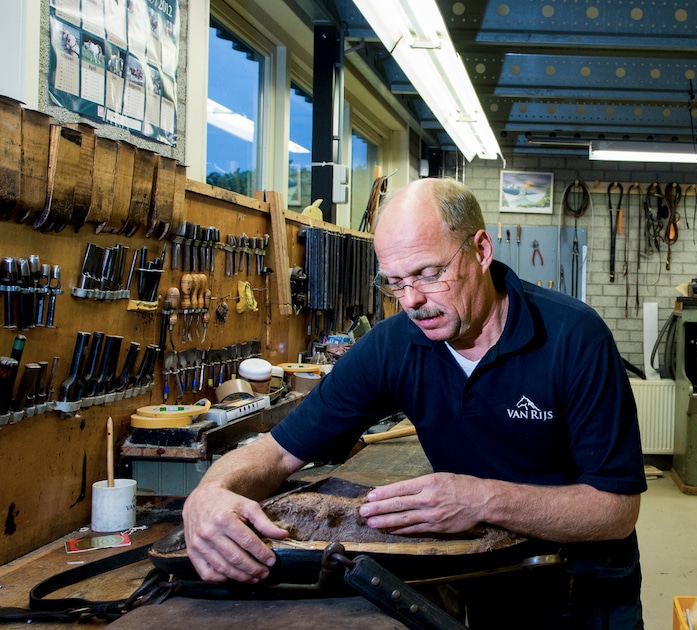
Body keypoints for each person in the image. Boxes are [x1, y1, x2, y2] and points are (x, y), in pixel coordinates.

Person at [181, 178, 647, 628]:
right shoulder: (395, 345)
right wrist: (208, 495)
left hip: (581, 587)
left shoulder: (575, 338)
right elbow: (280, 450)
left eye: (429, 273)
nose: (413, 300)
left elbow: (615, 511)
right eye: (394, 282)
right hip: (483, 578)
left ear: (481, 251)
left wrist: (480, 499)